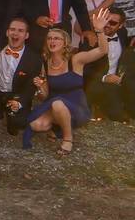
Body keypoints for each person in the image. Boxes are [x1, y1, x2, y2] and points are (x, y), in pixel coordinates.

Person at [23, 10, 109, 154]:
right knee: (37, 125)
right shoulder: (45, 63)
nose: (52, 41)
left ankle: (68, 139)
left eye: (57, 38)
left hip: (76, 105)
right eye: (49, 38)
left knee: (57, 104)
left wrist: (99, 30)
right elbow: (45, 97)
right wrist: (40, 87)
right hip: (54, 104)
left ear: (65, 43)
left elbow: (102, 51)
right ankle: (58, 127)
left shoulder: (75, 60)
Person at [84, 7, 135, 122]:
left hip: (118, 80)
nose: (107, 25)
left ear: (120, 26)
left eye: (113, 23)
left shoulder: (122, 33)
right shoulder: (91, 39)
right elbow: (83, 70)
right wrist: (104, 78)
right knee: (117, 115)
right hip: (95, 82)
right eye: (106, 20)